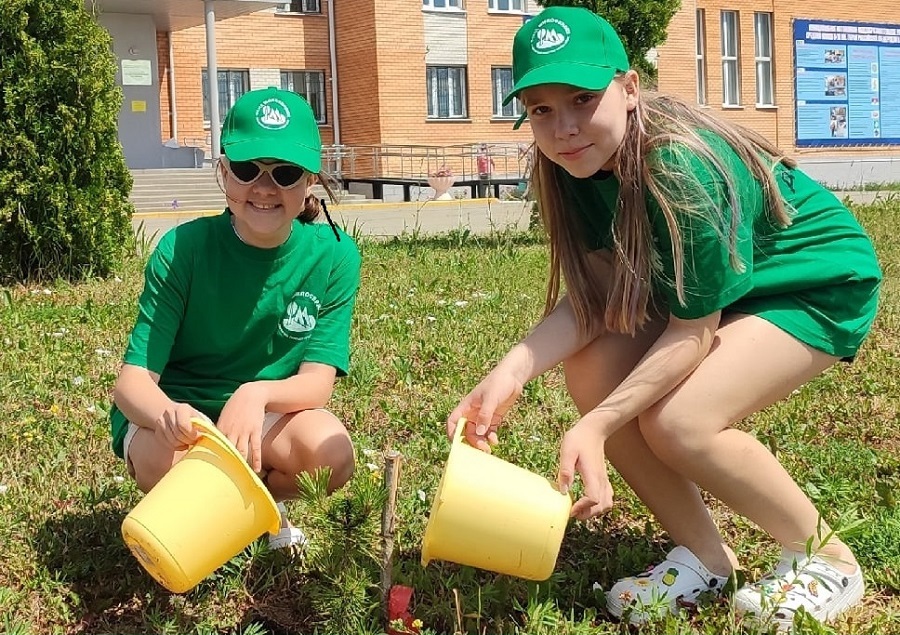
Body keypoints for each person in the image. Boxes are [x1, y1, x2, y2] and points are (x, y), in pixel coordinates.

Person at [447, 6, 881, 630]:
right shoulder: (574, 165)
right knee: (594, 369)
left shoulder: (679, 164)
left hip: (811, 284)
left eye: (581, 98)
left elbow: (693, 332)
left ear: (628, 89)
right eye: (541, 108)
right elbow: (597, 297)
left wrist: (595, 427)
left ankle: (828, 559)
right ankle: (706, 556)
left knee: (682, 421)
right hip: (720, 290)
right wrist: (510, 371)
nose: (564, 126)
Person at [111, 87, 361, 550]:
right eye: (247, 170)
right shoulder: (182, 249)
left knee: (332, 455)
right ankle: (235, 514)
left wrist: (257, 393)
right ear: (223, 171)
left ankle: (248, 507)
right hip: (180, 418)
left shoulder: (335, 255)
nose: (264, 188)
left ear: (309, 181)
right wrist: (172, 416)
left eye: (284, 173)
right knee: (159, 461)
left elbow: (317, 384)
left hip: (261, 417)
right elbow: (131, 385)